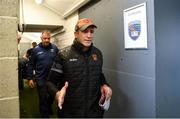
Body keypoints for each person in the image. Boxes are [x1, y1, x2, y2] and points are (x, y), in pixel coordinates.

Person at [46, 18, 112, 118]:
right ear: (76, 34)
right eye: (85, 31)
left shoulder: (97, 53)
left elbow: (99, 74)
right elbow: (50, 82)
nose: (89, 35)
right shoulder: (63, 55)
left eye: (91, 32)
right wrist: (57, 94)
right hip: (70, 113)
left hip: (94, 113)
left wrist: (105, 85)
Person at [27, 30, 59, 117]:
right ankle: (44, 115)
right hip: (41, 78)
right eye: (45, 38)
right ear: (41, 38)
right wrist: (30, 78)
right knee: (43, 98)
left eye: (48, 38)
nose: (47, 40)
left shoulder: (54, 48)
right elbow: (30, 65)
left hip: (52, 78)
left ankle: (48, 106)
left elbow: (59, 61)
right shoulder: (35, 50)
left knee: (52, 96)